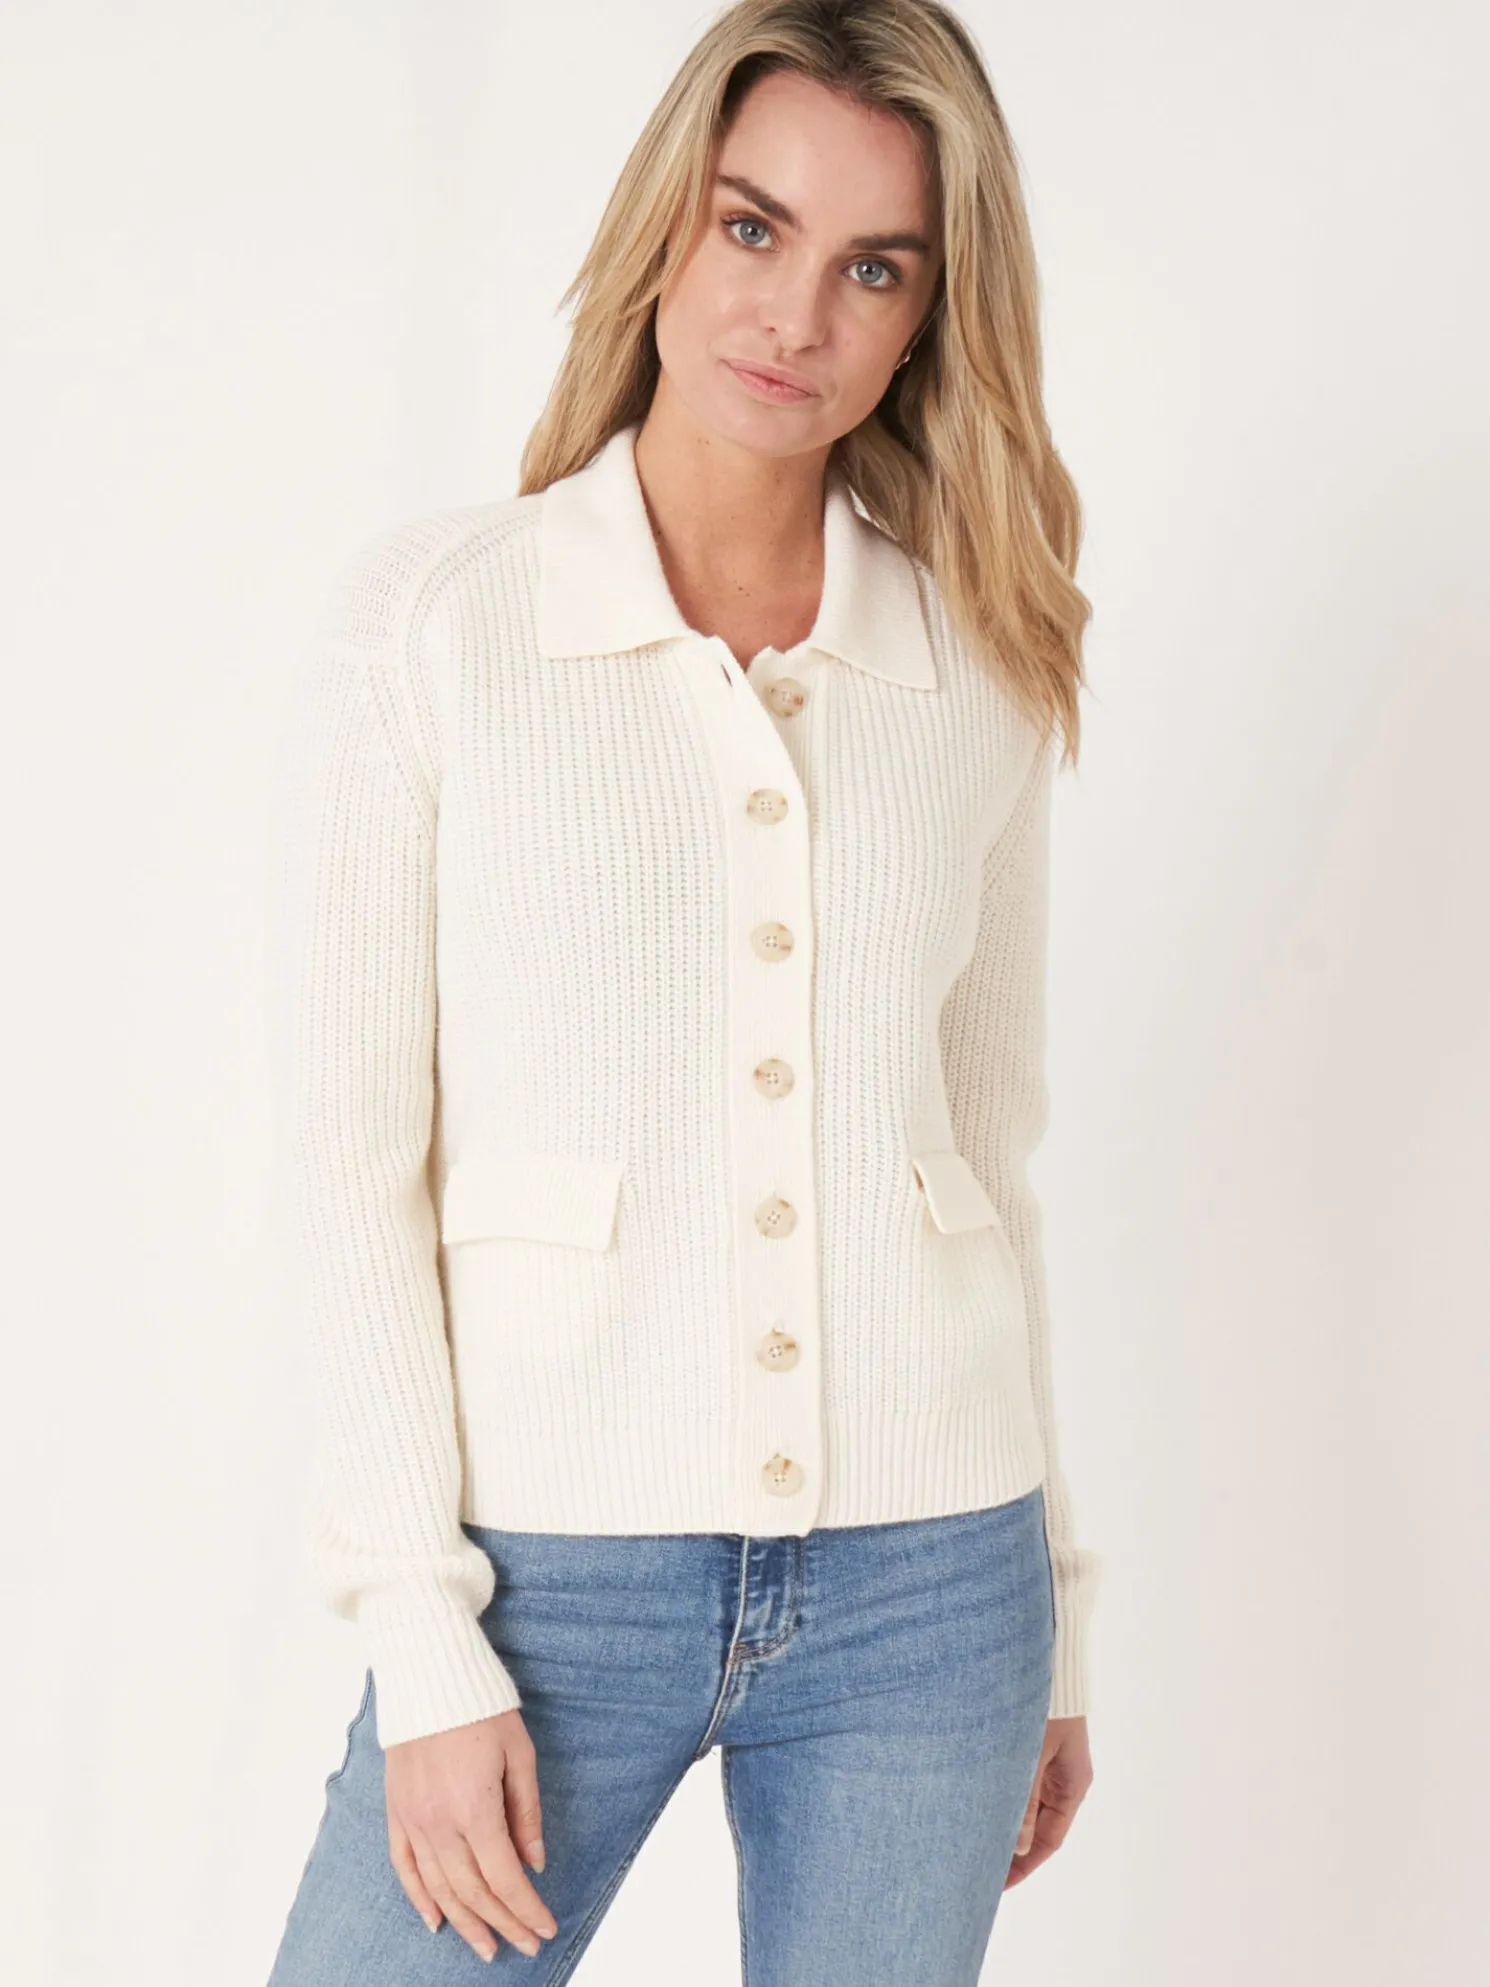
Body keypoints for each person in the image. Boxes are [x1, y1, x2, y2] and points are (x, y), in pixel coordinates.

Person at [265, 2, 1102, 1978]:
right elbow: (346, 1166)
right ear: (667, 226)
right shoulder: (437, 629)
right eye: (751, 227)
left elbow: (986, 1163)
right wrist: (419, 1632)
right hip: (541, 1591)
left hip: (935, 1589)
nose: (793, 315)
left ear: (928, 317)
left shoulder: (977, 662)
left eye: (872, 267)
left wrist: (1056, 1609)